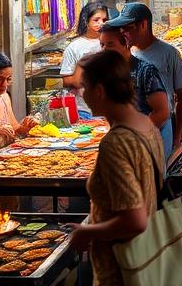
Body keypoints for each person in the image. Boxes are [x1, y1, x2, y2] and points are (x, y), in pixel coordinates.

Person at [68, 50, 165, 286]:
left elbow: (134, 220)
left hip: (122, 269)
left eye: (83, 88)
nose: (82, 94)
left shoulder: (116, 142)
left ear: (99, 91)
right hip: (149, 256)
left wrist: (87, 232)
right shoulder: (146, 125)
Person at [108, 3, 182, 157]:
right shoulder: (125, 53)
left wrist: (178, 135)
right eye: (121, 28)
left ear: (143, 25)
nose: (123, 32)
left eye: (127, 27)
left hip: (160, 126)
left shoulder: (169, 54)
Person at [99, 26, 170, 137]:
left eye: (110, 44)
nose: (104, 50)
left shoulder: (145, 70)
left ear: (126, 43)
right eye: (102, 45)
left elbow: (162, 113)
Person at [61, 0, 110, 118]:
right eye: (96, 20)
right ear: (86, 20)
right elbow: (66, 80)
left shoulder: (112, 42)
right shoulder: (74, 47)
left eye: (104, 20)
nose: (101, 23)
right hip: (84, 110)